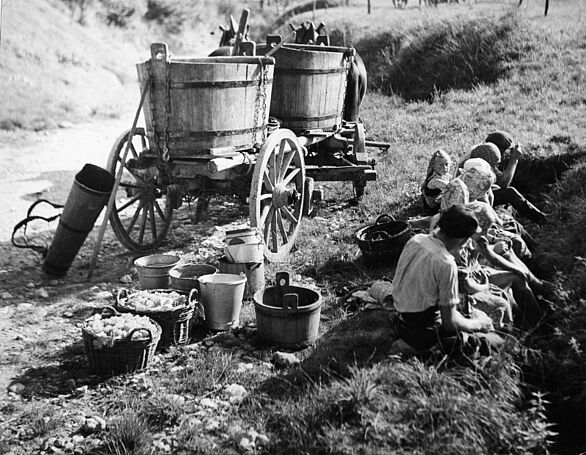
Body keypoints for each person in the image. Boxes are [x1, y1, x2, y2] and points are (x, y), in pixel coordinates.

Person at [392, 205, 503, 355]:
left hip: (401, 321)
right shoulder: (446, 263)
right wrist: (478, 324)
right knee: (496, 341)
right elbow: (450, 323)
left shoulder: (416, 240)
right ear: (462, 240)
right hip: (424, 332)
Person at [464, 140, 548, 224]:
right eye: (494, 165)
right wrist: (514, 159)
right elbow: (503, 184)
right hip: (474, 200)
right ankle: (541, 219)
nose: (495, 168)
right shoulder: (480, 164)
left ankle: (541, 218)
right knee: (510, 193)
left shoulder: (481, 156)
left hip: (479, 197)